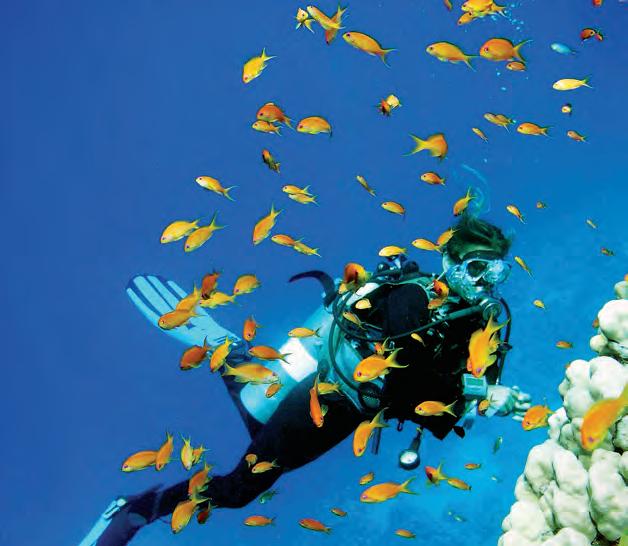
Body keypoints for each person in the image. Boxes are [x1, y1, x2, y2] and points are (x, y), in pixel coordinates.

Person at [80, 215, 531, 545]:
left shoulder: (477, 322)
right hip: (325, 396)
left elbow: (443, 399)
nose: (485, 284)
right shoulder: (412, 299)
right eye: (477, 269)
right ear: (450, 261)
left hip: (349, 413)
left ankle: (230, 355)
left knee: (257, 417)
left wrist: (481, 399)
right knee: (242, 486)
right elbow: (404, 385)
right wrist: (479, 392)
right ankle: (135, 509)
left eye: (497, 272)